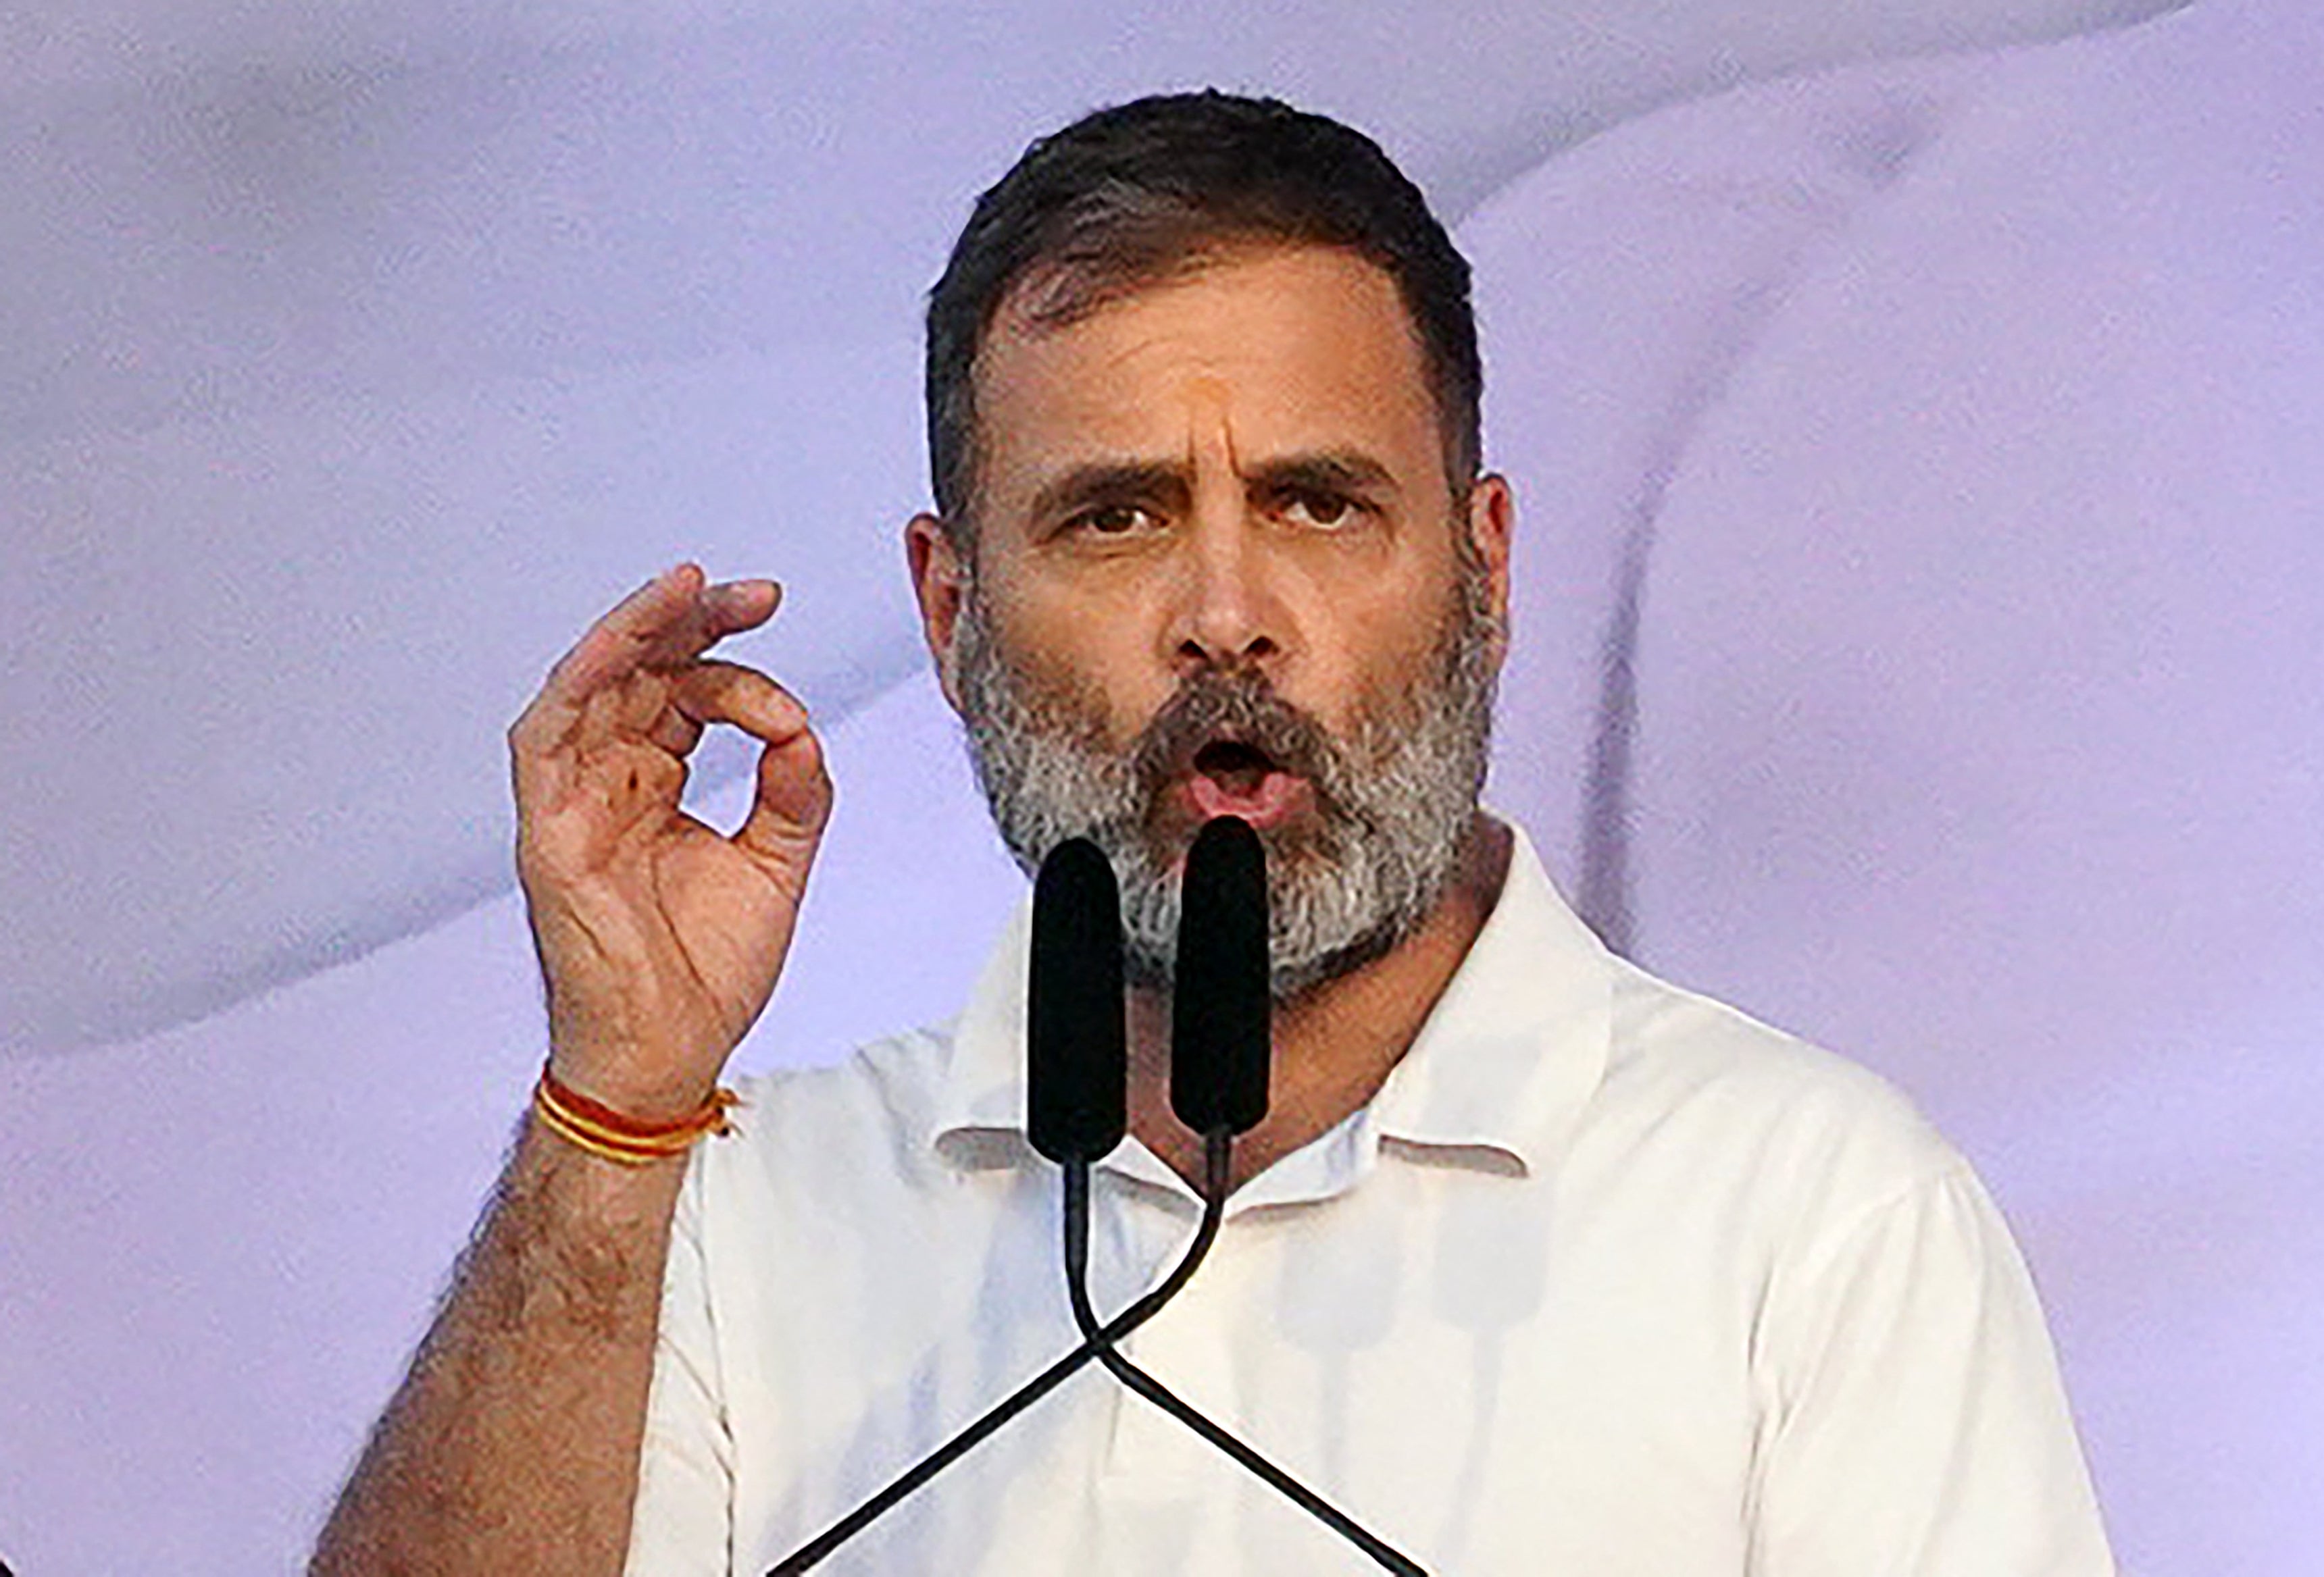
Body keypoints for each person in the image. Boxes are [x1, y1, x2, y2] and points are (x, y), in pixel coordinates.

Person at [312, 92, 2115, 1575]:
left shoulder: (1812, 1215)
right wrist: (616, 1103)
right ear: (947, 615)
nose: (1225, 613)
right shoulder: (708, 1219)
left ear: (1481, 570)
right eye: (1114, 518)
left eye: (1318, 503)